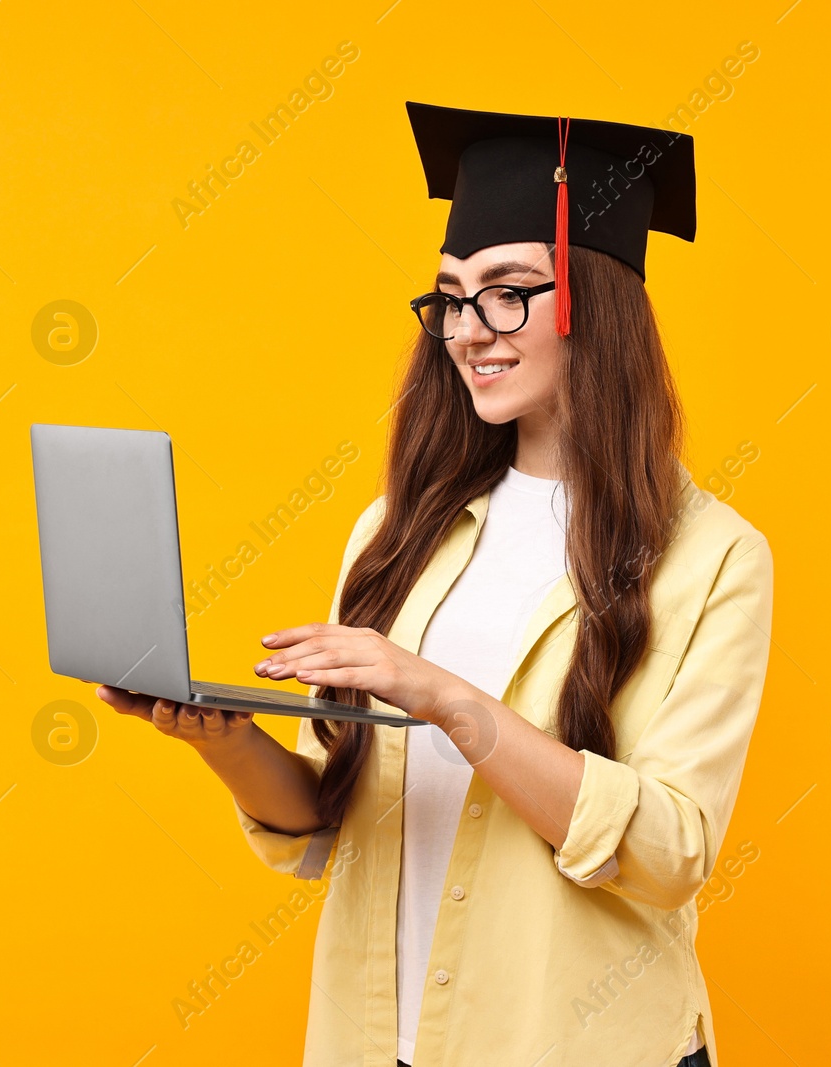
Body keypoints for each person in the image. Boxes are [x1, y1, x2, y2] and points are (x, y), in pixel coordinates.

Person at [97, 100, 775, 1067]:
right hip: (383, 1044)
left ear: (596, 302)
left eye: (507, 292)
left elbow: (668, 853)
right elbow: (322, 824)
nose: (467, 330)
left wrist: (444, 697)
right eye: (452, 297)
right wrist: (227, 741)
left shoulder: (714, 557)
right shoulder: (393, 532)